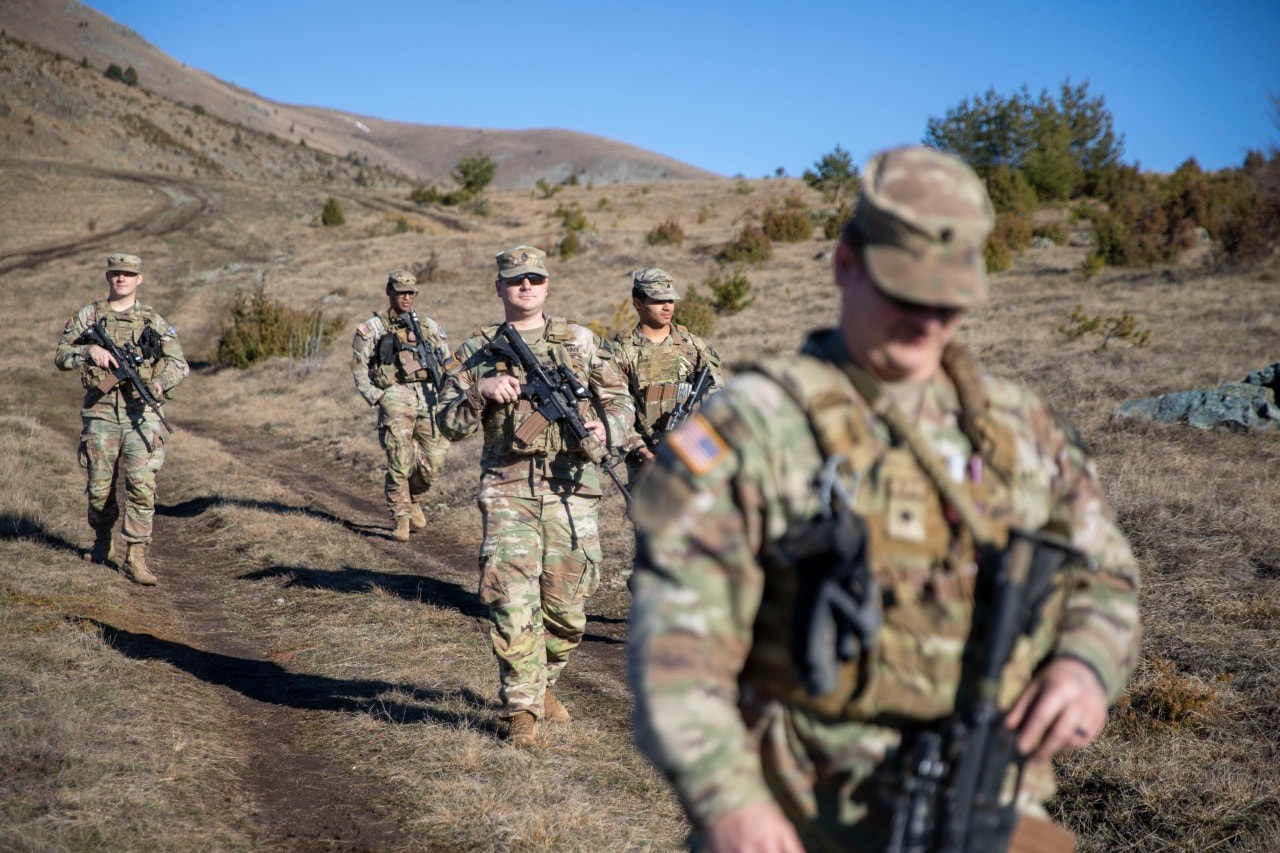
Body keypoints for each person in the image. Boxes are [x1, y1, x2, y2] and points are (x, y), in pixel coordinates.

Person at [627, 147, 1141, 851]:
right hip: (803, 814)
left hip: (986, 804)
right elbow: (675, 643)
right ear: (847, 264)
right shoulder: (755, 427)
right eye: (906, 292)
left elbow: (1104, 572)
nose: (928, 321)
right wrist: (729, 800)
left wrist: (1086, 662)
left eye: (949, 301)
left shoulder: (1019, 428)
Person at [437, 245, 636, 748]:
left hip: (573, 486)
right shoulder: (476, 349)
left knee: (569, 609)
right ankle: (520, 709)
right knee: (510, 597)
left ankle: (543, 682)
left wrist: (607, 428)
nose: (525, 286)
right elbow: (446, 423)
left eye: (535, 278)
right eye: (515, 279)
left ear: (546, 285)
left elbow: (620, 402)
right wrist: (481, 390)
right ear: (499, 288)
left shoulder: (581, 341)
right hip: (507, 488)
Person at [55, 253, 189, 586]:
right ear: (108, 276)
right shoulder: (90, 316)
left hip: (140, 415)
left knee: (142, 486)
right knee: (100, 488)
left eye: (128, 274)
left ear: (139, 279)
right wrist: (89, 352)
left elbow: (179, 363)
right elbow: (61, 355)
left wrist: (159, 383)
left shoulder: (151, 320)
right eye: (116, 273)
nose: (121, 279)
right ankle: (103, 542)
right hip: (100, 412)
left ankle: (136, 557)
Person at [351, 270, 453, 542]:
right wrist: (378, 396)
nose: (406, 297)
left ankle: (413, 499)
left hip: (429, 398)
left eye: (411, 293)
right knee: (399, 461)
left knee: (434, 463)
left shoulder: (428, 326)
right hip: (395, 396)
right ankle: (400, 518)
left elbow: (448, 360)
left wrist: (454, 388)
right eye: (400, 292)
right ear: (389, 291)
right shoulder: (373, 328)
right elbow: (359, 368)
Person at [611, 268, 723, 482]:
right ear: (637, 302)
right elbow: (615, 409)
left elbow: (718, 394)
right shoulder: (622, 352)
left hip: (695, 450)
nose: (667, 306)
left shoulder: (692, 345)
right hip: (648, 458)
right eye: (658, 300)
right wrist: (642, 451)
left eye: (670, 299)